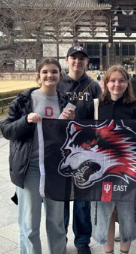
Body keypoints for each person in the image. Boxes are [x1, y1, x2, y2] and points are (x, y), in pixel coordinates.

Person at [2, 58, 76, 254]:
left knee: (56, 221)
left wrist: (72, 124)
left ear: (60, 75)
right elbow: (7, 130)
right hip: (30, 167)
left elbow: (71, 138)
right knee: (29, 222)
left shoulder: (66, 102)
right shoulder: (24, 101)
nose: (49, 75)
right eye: (45, 72)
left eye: (54, 71)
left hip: (56, 168)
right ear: (38, 75)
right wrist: (25, 120)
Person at [76, 65, 136, 254]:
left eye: (121, 80)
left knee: (127, 211)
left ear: (127, 83)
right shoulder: (95, 105)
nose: (117, 84)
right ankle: (108, 251)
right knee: (105, 211)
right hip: (101, 168)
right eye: (113, 80)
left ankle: (125, 251)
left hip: (127, 169)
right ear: (106, 83)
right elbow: (79, 130)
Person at [58, 45, 102, 254]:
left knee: (83, 196)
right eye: (74, 58)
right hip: (61, 148)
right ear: (67, 60)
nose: (78, 62)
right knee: (62, 196)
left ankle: (82, 240)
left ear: (87, 62)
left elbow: (100, 116)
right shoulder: (58, 83)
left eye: (82, 58)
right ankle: (60, 237)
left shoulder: (93, 86)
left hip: (86, 149)